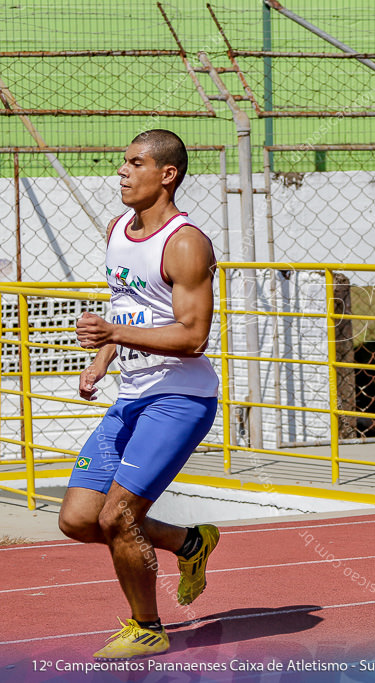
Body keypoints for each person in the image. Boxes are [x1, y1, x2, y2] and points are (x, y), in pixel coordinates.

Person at [58, 129, 221, 659]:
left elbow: (193, 336)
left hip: (180, 398)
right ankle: (188, 543)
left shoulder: (186, 242)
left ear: (166, 174)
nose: (122, 172)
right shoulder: (117, 230)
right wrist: (101, 361)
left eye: (134, 162)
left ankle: (147, 626)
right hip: (133, 395)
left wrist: (115, 336)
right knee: (80, 519)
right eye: (122, 161)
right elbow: (124, 305)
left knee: (118, 516)